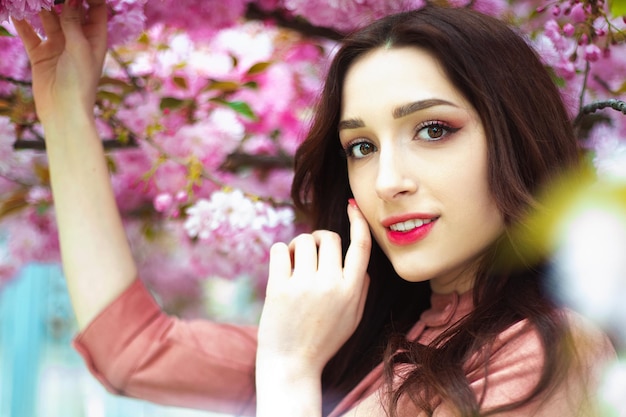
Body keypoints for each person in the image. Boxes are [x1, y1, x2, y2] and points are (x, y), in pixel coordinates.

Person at [13, 1, 616, 416]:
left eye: (433, 130)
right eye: (361, 146)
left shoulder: (552, 350)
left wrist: (289, 370)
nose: (387, 180)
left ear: (517, 137)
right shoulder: (365, 339)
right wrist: (66, 111)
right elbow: (132, 350)